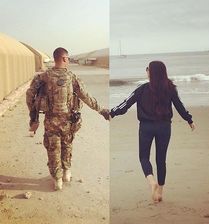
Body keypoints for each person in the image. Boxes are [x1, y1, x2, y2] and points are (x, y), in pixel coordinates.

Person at [110, 61, 195, 203]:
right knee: (161, 159)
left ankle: (151, 182)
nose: (146, 71)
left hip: (146, 127)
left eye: (148, 69)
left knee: (144, 157)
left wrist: (112, 112)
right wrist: (189, 119)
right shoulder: (170, 89)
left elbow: (125, 104)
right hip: (164, 127)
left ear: (151, 72)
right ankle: (160, 192)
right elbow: (180, 105)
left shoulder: (141, 89)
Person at [26, 47, 109, 191]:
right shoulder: (72, 77)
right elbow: (85, 96)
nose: (68, 61)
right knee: (67, 145)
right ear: (64, 59)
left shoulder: (43, 77)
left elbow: (29, 95)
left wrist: (33, 117)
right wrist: (101, 110)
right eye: (68, 59)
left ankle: (57, 179)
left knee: (53, 149)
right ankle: (66, 173)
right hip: (68, 121)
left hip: (50, 121)